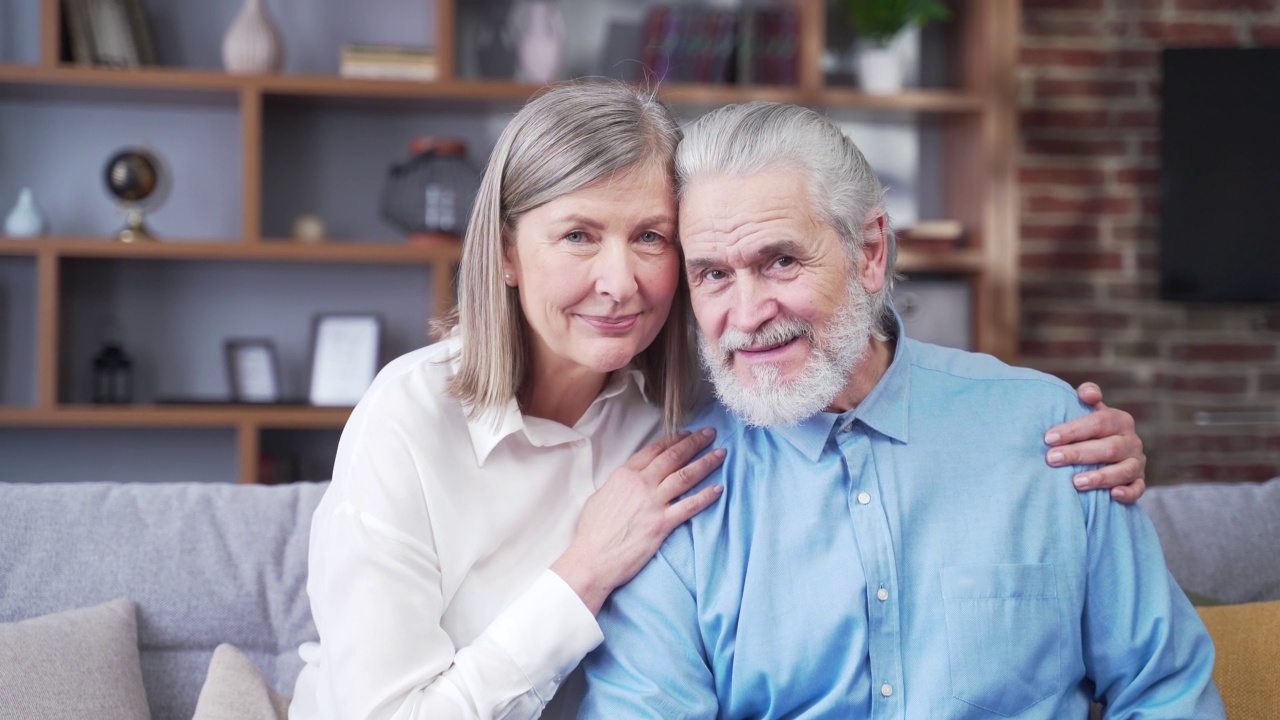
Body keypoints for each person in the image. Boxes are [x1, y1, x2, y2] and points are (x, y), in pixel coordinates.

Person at [289, 84, 1149, 720]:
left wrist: (1070, 435)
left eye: (652, 239)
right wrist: (583, 573)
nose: (619, 282)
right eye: (578, 235)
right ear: (507, 252)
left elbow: (835, 361)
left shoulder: (710, 398)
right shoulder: (409, 421)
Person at [579, 101, 1224, 719]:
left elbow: (1166, 691)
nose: (747, 315)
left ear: (869, 253)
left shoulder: (1053, 435)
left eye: (780, 261)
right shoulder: (674, 498)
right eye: (714, 274)